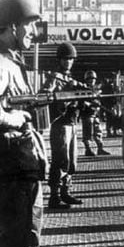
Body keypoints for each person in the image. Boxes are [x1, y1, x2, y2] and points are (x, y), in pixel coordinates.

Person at [0, 0, 47, 247]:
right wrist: (14, 119)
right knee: (15, 243)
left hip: (17, 167)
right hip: (12, 170)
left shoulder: (8, 61)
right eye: (30, 25)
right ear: (13, 26)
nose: (33, 32)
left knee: (16, 241)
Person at [42, 42, 85, 209]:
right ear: (59, 60)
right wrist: (61, 98)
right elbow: (45, 94)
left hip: (72, 123)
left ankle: (65, 192)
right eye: (66, 59)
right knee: (60, 160)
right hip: (60, 123)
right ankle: (54, 196)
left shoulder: (70, 78)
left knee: (72, 161)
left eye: (71, 59)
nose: (69, 62)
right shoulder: (54, 78)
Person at [80, 70, 110, 156]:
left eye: (93, 79)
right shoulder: (83, 89)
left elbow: (98, 100)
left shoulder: (96, 89)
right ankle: (88, 149)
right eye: (89, 79)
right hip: (87, 113)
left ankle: (100, 148)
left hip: (95, 113)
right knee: (87, 133)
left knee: (98, 132)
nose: (91, 80)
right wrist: (89, 104)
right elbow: (82, 101)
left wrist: (98, 103)